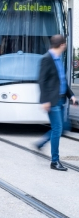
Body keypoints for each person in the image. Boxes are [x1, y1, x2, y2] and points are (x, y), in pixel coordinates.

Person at [37, 34, 76, 171]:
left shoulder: (58, 59)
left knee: (62, 126)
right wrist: (45, 100)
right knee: (58, 128)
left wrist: (71, 95)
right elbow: (42, 81)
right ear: (62, 45)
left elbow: (62, 81)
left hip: (61, 99)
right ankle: (54, 161)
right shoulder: (46, 59)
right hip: (52, 101)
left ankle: (41, 143)